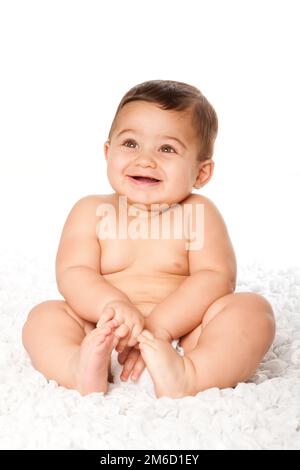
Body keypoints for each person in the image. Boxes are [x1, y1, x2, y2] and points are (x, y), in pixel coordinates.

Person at [22, 80, 276, 398]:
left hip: (183, 340)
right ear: (107, 151)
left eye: (167, 149)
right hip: (102, 334)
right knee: (45, 317)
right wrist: (111, 306)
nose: (145, 160)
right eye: (130, 144)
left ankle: (192, 375)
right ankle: (78, 367)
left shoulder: (200, 213)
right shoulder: (90, 210)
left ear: (201, 173)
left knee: (253, 311)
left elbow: (215, 278)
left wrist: (159, 327)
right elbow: (74, 273)